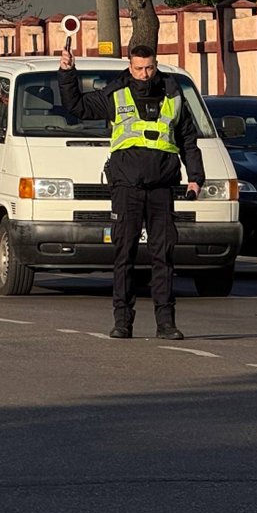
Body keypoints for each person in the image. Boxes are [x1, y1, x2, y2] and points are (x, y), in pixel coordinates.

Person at [59, 44, 204, 341]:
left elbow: (188, 139)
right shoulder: (116, 93)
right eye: (138, 68)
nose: (144, 74)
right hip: (127, 187)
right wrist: (67, 72)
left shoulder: (173, 94)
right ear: (130, 66)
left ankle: (166, 323)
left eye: (149, 68)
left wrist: (195, 178)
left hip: (162, 187)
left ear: (156, 64)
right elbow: (77, 107)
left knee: (163, 255)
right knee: (124, 253)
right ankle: (122, 321)